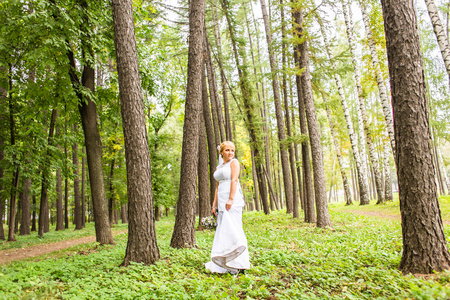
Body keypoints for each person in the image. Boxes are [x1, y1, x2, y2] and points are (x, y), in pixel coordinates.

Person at [205, 141, 250, 274]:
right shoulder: (220, 167)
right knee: (223, 229)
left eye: (232, 150)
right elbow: (217, 187)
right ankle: (225, 262)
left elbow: (234, 180)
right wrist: (214, 205)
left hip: (232, 200)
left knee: (234, 228)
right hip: (221, 199)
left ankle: (239, 263)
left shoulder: (234, 163)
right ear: (221, 152)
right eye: (227, 150)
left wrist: (231, 199)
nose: (230, 153)